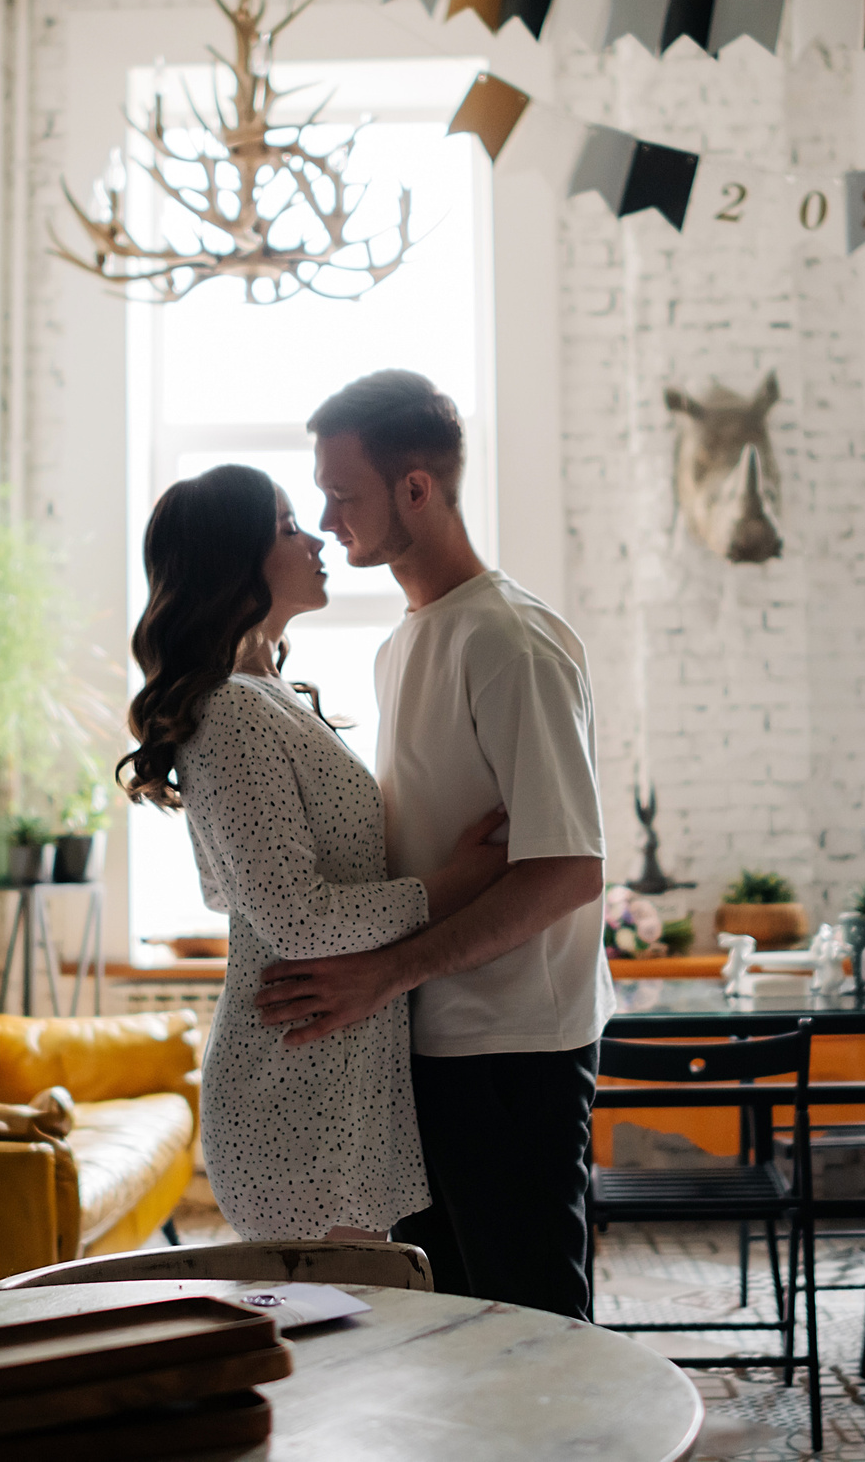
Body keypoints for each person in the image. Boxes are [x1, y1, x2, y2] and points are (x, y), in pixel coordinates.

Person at [254, 371, 610, 1319]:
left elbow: (568, 869)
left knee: (534, 1331)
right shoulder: (402, 644)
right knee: (452, 1325)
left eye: (344, 493)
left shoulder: (511, 641)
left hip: (514, 1050)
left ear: (416, 488)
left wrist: (387, 971)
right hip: (425, 1039)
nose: (328, 518)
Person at [117, 463, 509, 1241]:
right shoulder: (228, 712)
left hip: (337, 1069)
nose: (320, 537)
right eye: (289, 526)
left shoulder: (276, 698)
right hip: (291, 1085)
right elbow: (298, 918)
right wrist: (456, 883)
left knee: (369, 1333)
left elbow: (242, 891)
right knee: (337, 1343)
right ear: (237, 561)